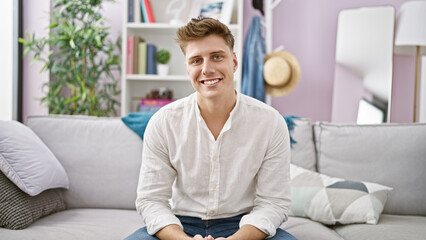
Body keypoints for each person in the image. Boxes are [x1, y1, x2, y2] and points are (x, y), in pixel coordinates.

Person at [125, 17, 297, 240]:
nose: (207, 69)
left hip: (244, 224)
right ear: (187, 68)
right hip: (179, 224)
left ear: (234, 62)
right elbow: (151, 200)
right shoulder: (162, 122)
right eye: (196, 60)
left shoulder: (271, 123)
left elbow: (273, 203)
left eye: (217, 57)